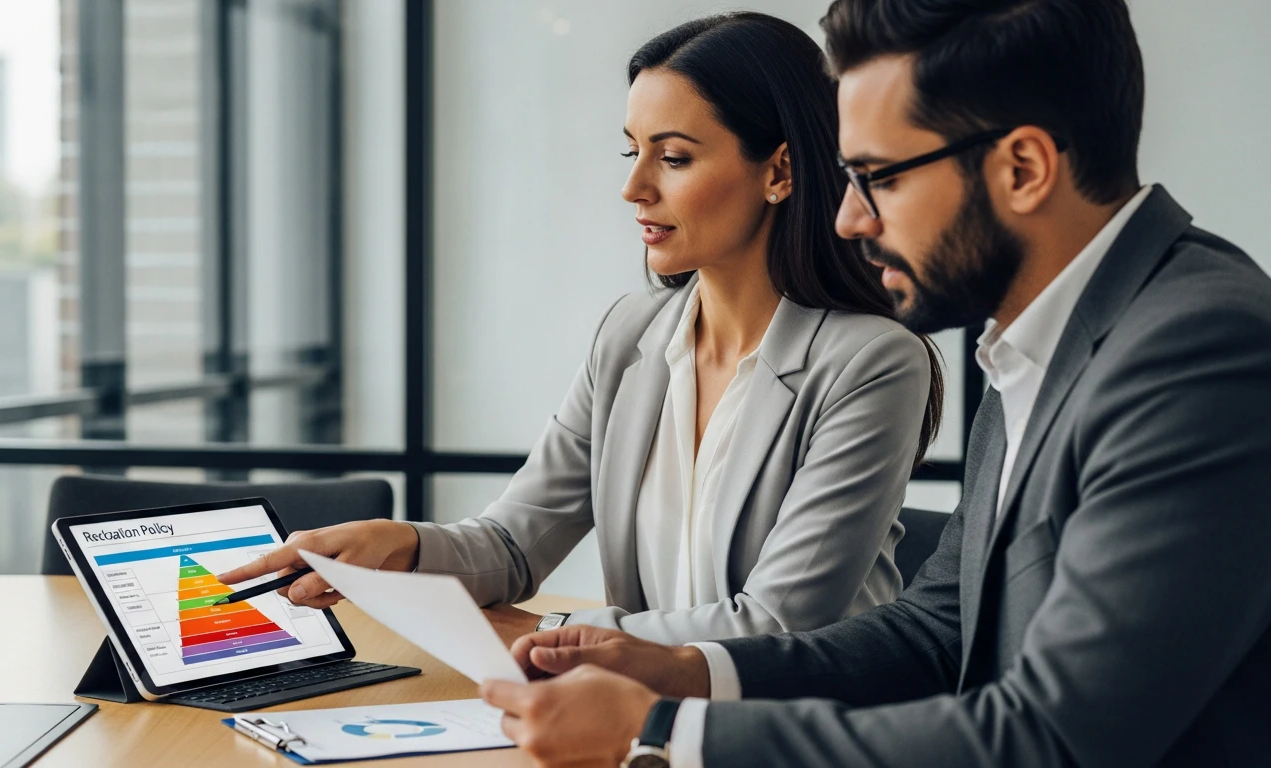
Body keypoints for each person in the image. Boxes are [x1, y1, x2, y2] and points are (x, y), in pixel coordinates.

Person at [481, 0, 1271, 766]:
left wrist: (664, 734)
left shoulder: (1198, 352)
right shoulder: (1035, 340)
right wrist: (682, 672)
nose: (849, 219)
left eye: (877, 177)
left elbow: (1056, 739)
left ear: (1023, 168)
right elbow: (936, 632)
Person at [219, 12, 943, 646]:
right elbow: (513, 546)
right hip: (635, 717)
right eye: (634, 151)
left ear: (779, 170)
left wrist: (548, 638)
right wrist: (400, 547)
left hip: (795, 730)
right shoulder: (630, 337)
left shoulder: (873, 363)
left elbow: (778, 625)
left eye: (675, 157)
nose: (634, 187)